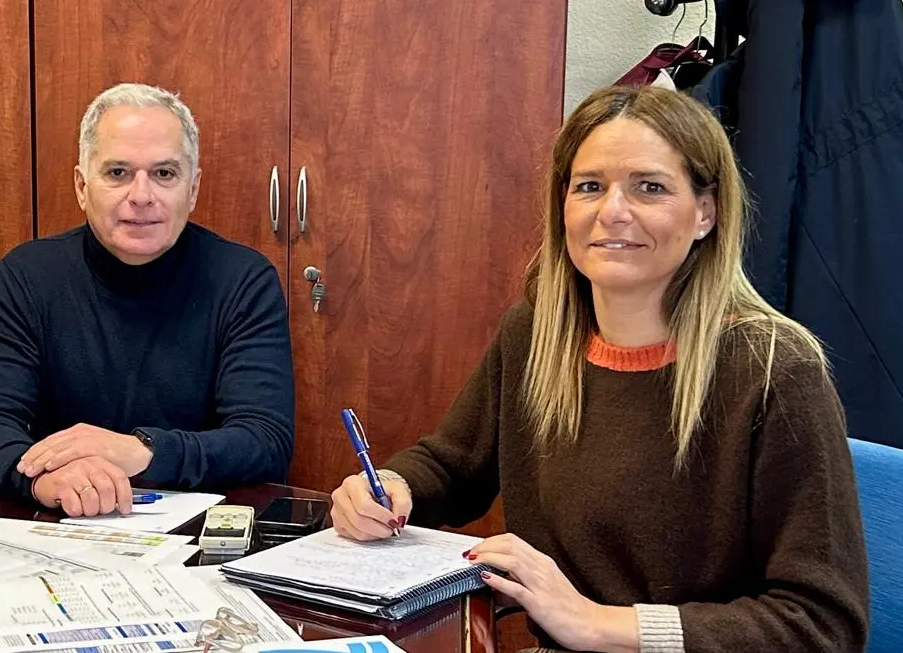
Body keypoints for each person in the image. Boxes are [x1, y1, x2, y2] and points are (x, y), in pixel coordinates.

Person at [330, 85, 868, 653]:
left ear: (706, 213)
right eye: (589, 186)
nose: (612, 212)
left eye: (650, 187)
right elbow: (455, 463)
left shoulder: (775, 370)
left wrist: (595, 623)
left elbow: (822, 624)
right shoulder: (536, 332)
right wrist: (390, 488)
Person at [0, 83, 295, 518]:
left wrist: (143, 451)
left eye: (164, 173)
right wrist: (41, 478)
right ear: (82, 186)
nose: (141, 196)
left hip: (202, 536)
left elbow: (265, 441)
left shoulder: (243, 279)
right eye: (117, 173)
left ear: (192, 189)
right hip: (60, 525)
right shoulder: (28, 276)